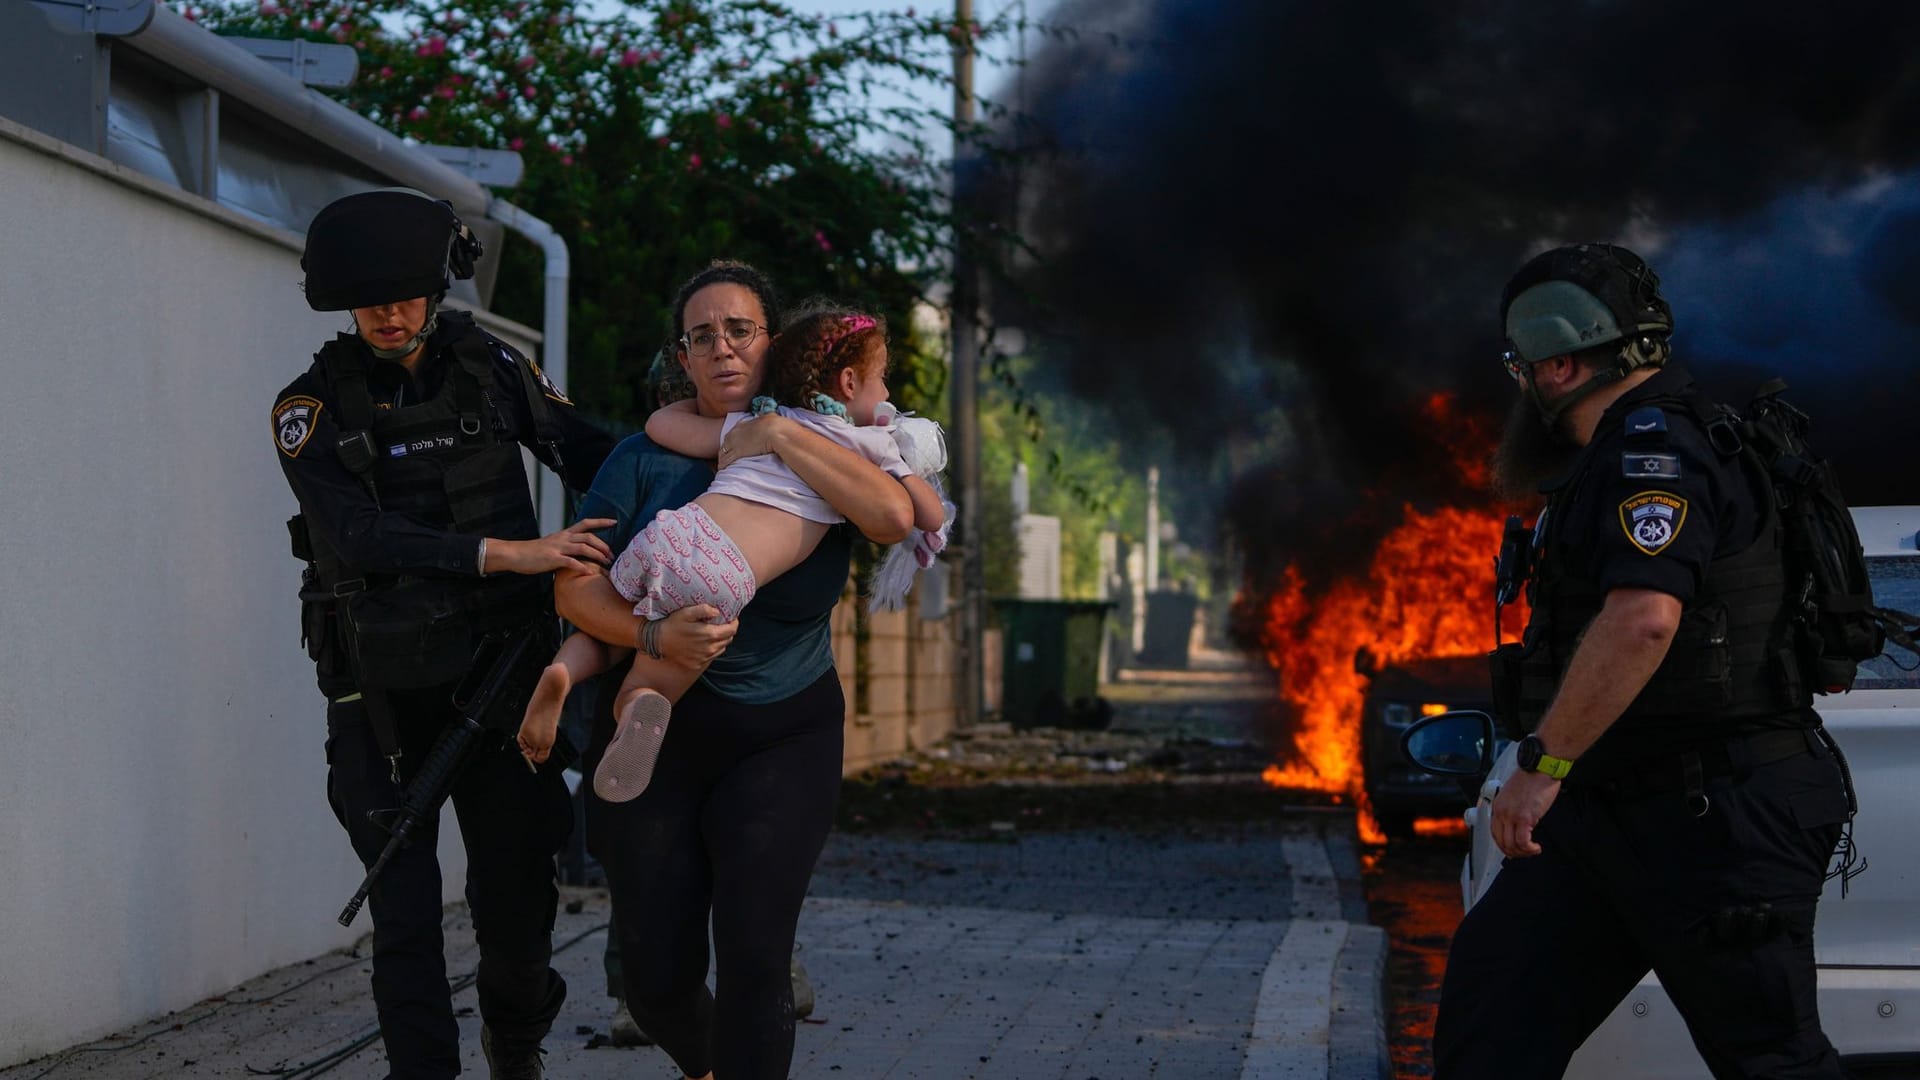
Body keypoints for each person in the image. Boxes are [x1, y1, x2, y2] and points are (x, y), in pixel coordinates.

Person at [1435, 243, 1852, 1079]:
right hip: (1607, 818)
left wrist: (1543, 762)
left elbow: (1643, 622)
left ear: (1558, 365)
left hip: (1717, 818)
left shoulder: (1652, 454)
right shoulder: (1627, 451)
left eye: (1521, 367)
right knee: (1489, 1032)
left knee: (1772, 1062)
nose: (1519, 386)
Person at [275, 188, 617, 1080]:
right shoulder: (309, 407)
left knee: (515, 904)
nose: (390, 314)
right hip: (381, 694)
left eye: (406, 294)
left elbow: (587, 454)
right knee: (407, 910)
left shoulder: (491, 369)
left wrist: (701, 474)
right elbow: (359, 536)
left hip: (502, 677)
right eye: (372, 299)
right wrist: (506, 553)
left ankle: (516, 1035)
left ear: (436, 289)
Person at [557, 262, 916, 1080]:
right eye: (700, 336)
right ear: (680, 357)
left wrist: (781, 434)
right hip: (655, 733)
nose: (721, 349)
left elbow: (896, 517)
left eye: (739, 331)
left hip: (782, 733)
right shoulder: (642, 457)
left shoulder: (828, 444)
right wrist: (652, 639)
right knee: (655, 984)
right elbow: (575, 586)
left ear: (776, 344)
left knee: (757, 956)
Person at [515, 307, 950, 801]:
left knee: (611, 623)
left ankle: (564, 671)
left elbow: (663, 425)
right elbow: (927, 517)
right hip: (724, 574)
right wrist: (909, 468)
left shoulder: (761, 421)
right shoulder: (867, 448)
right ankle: (639, 702)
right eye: (882, 381)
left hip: (674, 532)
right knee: (656, 675)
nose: (888, 394)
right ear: (849, 383)